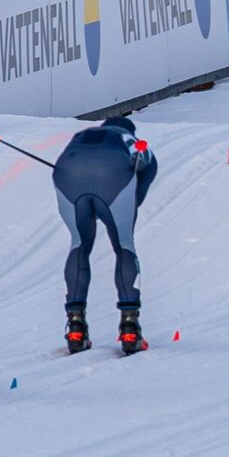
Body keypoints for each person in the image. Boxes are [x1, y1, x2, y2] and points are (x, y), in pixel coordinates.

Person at [52, 115, 158, 355]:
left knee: (79, 243)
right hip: (114, 176)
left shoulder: (82, 136)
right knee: (124, 245)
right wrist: (125, 205)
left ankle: (76, 327)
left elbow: (64, 164)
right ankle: (130, 327)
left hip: (68, 173)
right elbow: (145, 177)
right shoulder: (133, 140)